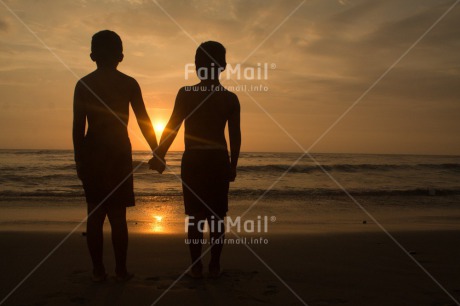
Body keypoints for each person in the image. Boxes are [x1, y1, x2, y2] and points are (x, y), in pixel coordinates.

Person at [149, 41, 241, 279]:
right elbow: (235, 137)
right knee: (217, 216)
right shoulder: (229, 99)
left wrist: (160, 155)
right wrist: (233, 165)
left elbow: (172, 127)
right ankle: (214, 265)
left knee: (195, 216)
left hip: (194, 159)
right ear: (223, 66)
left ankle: (197, 265)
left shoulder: (186, 94)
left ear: (197, 67)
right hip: (218, 158)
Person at [73, 30, 159, 282]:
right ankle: (120, 270)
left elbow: (78, 127)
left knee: (95, 212)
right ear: (120, 56)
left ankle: (99, 271)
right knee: (118, 216)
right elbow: (144, 121)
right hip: (119, 151)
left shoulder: (84, 84)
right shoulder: (129, 83)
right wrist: (156, 150)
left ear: (92, 55)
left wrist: (79, 159)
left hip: (93, 151)